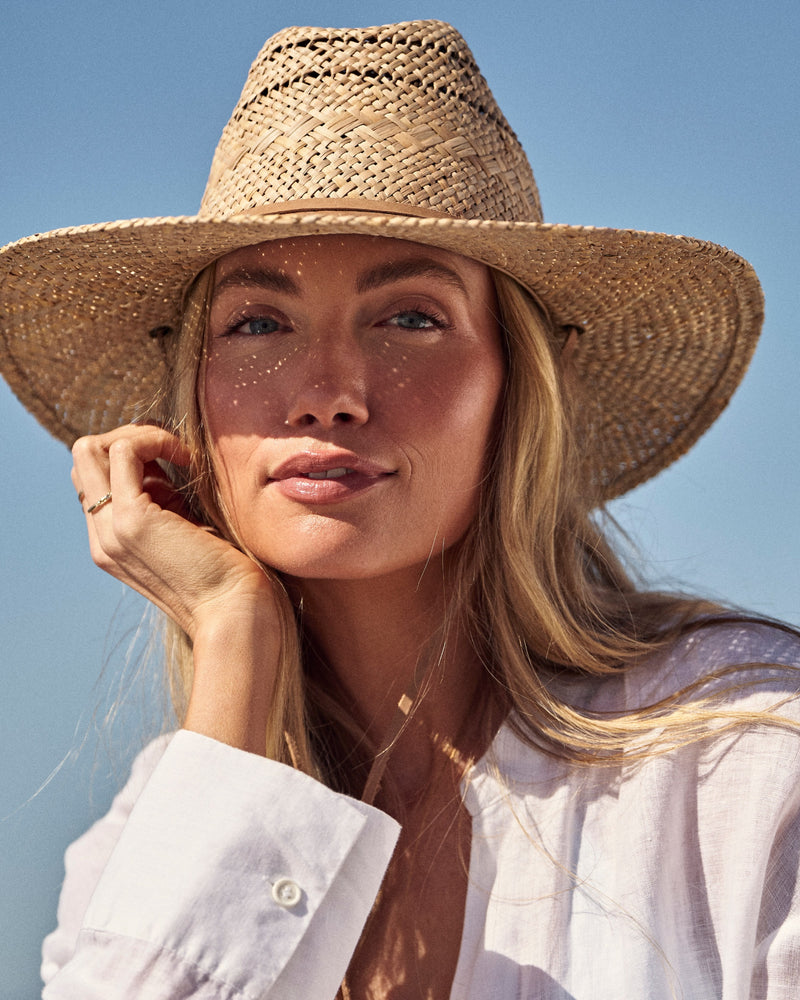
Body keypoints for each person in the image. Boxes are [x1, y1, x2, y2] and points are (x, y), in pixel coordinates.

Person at [1, 18, 798, 1000]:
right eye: (256, 323)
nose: (326, 390)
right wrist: (234, 635)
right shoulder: (146, 840)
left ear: (516, 388)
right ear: (191, 402)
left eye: (410, 317)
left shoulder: (749, 765)